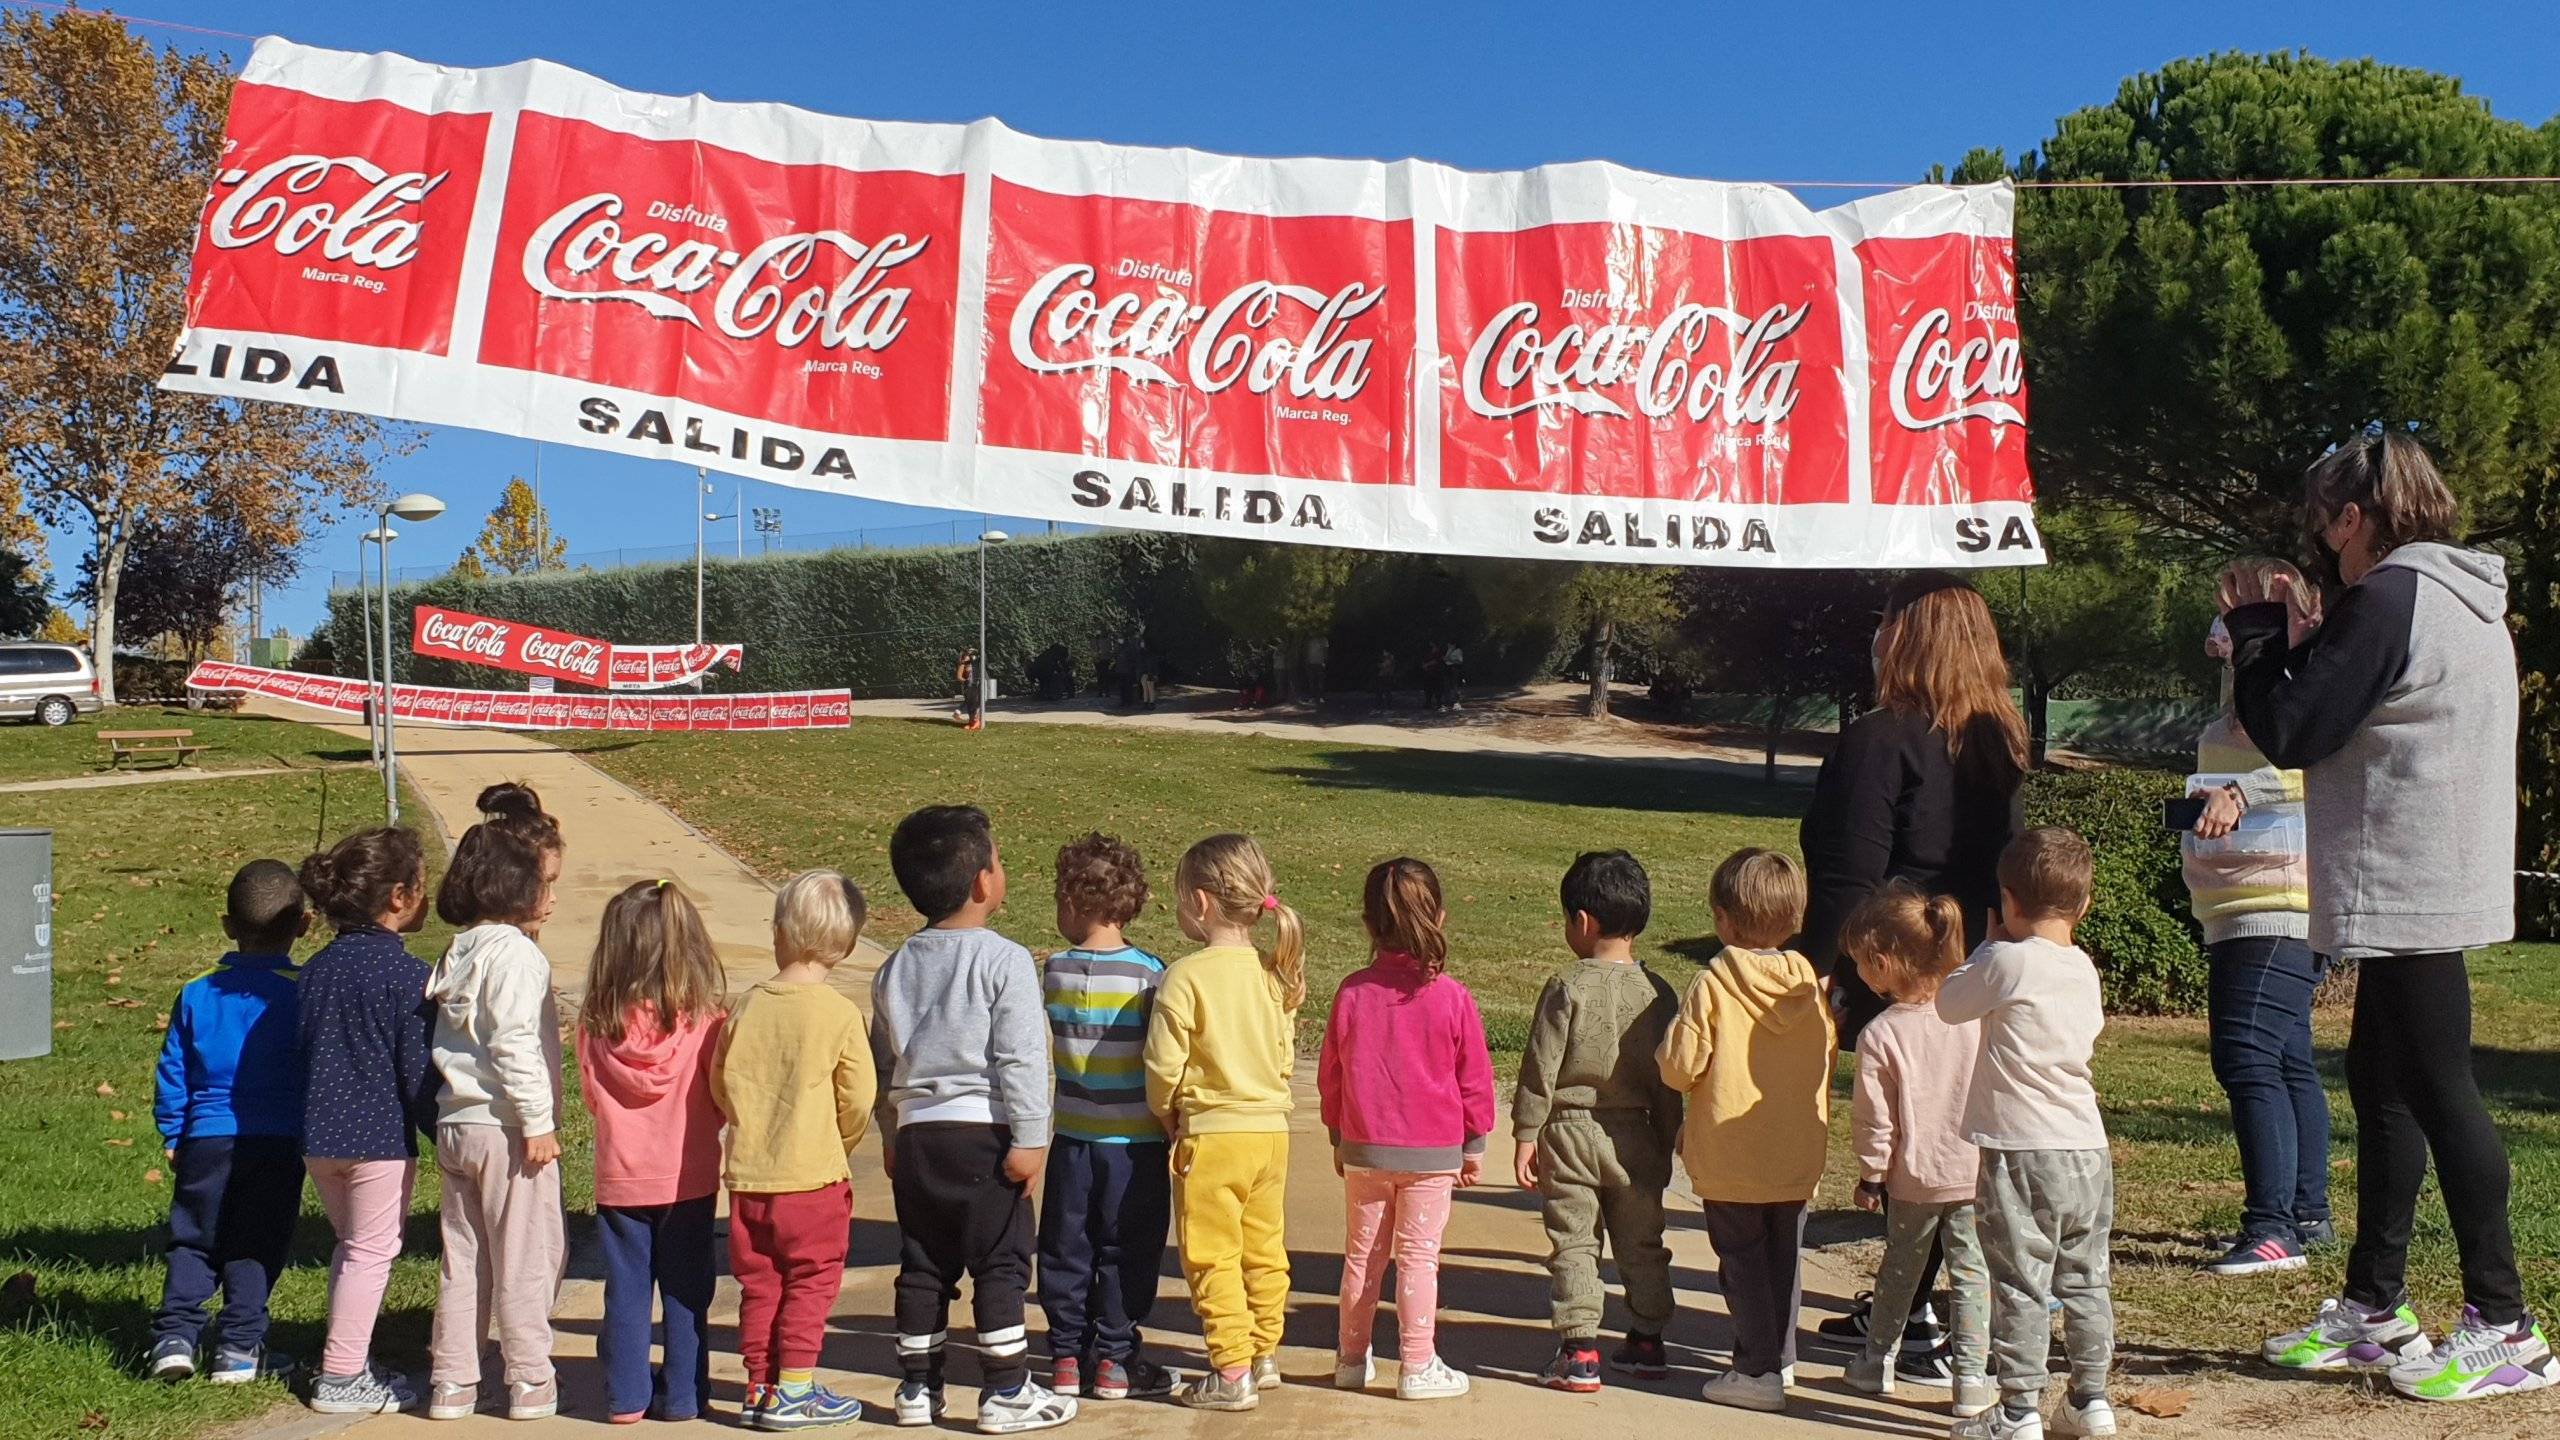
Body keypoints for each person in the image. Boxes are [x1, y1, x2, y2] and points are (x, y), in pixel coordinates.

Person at [2228, 432, 2550, 1401]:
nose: (2326, 547)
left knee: (2438, 1090)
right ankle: (2376, 1306)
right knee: (2385, 1080)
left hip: (2402, 873)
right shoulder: (2458, 595)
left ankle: (2506, 1323)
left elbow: (2289, 727)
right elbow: (2354, 694)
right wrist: (2308, 637)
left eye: (2328, 527)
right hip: (2433, 865)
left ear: (2355, 517)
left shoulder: (2390, 594)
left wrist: (2253, 629)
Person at [1800, 571, 2027, 1378]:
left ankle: (1913, 1322)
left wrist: (1817, 978)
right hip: (1969, 968)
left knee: (1903, 1149)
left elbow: (1848, 875)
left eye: (1887, 623)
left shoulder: (1881, 736)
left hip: (1890, 964)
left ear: (1907, 636)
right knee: (1947, 1146)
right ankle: (1935, 1312)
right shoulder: (2000, 742)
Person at [873, 807, 1075, 1434]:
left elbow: (885, 1061)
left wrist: (891, 1135)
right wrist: (1032, 1138)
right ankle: (1005, 1391)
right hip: (984, 1135)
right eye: (998, 857)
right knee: (1002, 1263)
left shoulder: (894, 965)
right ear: (984, 881)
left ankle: (916, 1389)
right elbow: (1022, 1055)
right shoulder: (1005, 959)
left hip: (917, 1138)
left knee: (924, 1263)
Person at [1936, 828, 2114, 1440]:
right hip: (2086, 1146)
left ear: (2008, 901)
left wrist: (1983, 948)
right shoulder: (2083, 968)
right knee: (2086, 1276)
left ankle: (2017, 1411)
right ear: (2083, 906)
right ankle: (2090, 1399)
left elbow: (1948, 1004)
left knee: (2019, 1279)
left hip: (2020, 1148)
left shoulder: (2003, 959)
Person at [2183, 569, 2329, 1279]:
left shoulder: (2306, 703)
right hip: (2237, 909)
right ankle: (2306, 1211)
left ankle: (2272, 1230)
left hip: (2277, 909)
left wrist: (2243, 789)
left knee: (2244, 1056)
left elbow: (2314, 772)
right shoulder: (2243, 709)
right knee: (2287, 1058)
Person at [1657, 848, 1835, 1414]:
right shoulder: (1808, 987)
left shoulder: (1712, 986)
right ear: (1794, 918)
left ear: (1724, 919)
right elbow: (1826, 1051)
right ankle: (1779, 1356)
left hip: (1733, 1152)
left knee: (1741, 1263)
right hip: (1796, 1148)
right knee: (1784, 1258)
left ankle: (1756, 1369)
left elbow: (1678, 1067)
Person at [1318, 858, 1495, 1402]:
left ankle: (1351, 1358)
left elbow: (1333, 1073)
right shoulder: (1451, 997)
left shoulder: (1352, 993)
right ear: (1439, 916)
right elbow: (1475, 1080)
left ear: (1369, 924)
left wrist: (1337, 1134)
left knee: (1362, 1255)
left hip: (1365, 1149)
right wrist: (1475, 1143)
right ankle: (1417, 1365)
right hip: (1432, 1153)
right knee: (1418, 1257)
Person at [1143, 833, 1305, 1413]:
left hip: (1212, 1134)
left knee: (1212, 1253)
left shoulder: (1186, 976)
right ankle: (1264, 1352)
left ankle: (1231, 1369)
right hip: (1271, 1132)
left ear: (1203, 902)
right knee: (1264, 1247)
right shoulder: (1275, 971)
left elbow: (1163, 1064)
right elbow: (1284, 1058)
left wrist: (1165, 1111)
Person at [1511, 849, 1681, 1394]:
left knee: (1574, 1238)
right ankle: (1648, 1339)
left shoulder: (1567, 985)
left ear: (1583, 922)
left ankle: (1580, 1347)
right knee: (1643, 1239)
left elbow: (1542, 1064)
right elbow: (1670, 1077)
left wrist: (1524, 1132)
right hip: (1638, 1132)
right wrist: (1671, 1135)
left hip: (1569, 1129)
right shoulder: (1660, 993)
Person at [714, 870, 875, 1431]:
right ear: (847, 944)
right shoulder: (838, 1013)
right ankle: (796, 1389)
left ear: (778, 931)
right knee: (812, 1281)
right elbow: (858, 1096)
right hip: (813, 1179)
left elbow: (720, 1080)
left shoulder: (746, 1006)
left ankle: (760, 1384)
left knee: (759, 1283)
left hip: (750, 1178)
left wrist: (745, 1123)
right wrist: (841, 1142)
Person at [146, 859, 311, 1386]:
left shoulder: (197, 991)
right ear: (304, 926)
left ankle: (175, 1337)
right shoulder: (304, 991)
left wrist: (174, 1131)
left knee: (193, 1238)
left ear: (226, 926)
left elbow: (174, 1067)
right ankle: (239, 1346)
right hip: (279, 1139)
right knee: (257, 1241)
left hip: (206, 1137)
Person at [425, 820, 568, 1423]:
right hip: (507, 1129)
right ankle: (530, 1377)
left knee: (463, 1256)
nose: (553, 895)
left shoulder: (460, 949)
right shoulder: (516, 953)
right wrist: (537, 1121)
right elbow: (513, 1041)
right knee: (526, 1255)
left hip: (457, 1123)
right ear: (514, 888)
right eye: (542, 882)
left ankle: (452, 1382)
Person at [294, 827, 439, 1416]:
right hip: (377, 1139)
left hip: (316, 1136)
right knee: (372, 1251)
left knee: (352, 1248)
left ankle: (347, 1357)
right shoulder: (408, 977)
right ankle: (342, 1375)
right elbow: (418, 1072)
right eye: (423, 886)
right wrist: (443, 1131)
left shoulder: (314, 971)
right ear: (400, 897)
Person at [1838, 882, 1992, 1419]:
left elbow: (1875, 1118)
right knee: (1973, 1275)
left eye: (1859, 961)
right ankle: (1971, 1377)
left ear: (1881, 963)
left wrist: (1871, 1174)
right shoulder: (1977, 1017)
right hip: (1977, 1173)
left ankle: (1876, 1362)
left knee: (1899, 1270)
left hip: (1914, 1179)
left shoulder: (1881, 1034)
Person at [578, 880, 729, 1425]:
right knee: (688, 1290)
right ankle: (686, 1395)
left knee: (626, 1290)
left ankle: (625, 1396)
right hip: (688, 1179)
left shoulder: (596, 1024)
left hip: (620, 1179)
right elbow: (722, 1098)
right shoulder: (708, 1023)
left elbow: (594, 1099)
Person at [1037, 835, 1178, 1402]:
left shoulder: (1054, 970)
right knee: (1129, 1249)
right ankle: (1116, 1359)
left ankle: (1067, 1356)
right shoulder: (1151, 975)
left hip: (1072, 1139)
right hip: (1137, 1142)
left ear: (1072, 901)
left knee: (1067, 1247)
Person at [956, 648, 985, 730]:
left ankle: (976, 722)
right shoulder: (963, 664)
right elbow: (959, 676)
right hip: (968, 687)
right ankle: (972, 722)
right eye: (969, 655)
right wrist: (966, 681)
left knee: (977, 704)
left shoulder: (977, 663)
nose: (971, 656)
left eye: (972, 655)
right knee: (970, 705)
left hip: (978, 686)